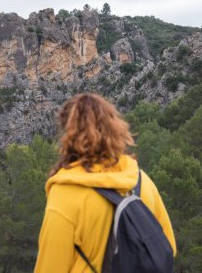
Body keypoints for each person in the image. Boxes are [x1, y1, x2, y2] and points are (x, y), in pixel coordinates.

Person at [34, 93, 176, 273]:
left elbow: (50, 267)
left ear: (67, 135)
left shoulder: (65, 193)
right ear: (115, 128)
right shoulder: (140, 180)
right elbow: (167, 246)